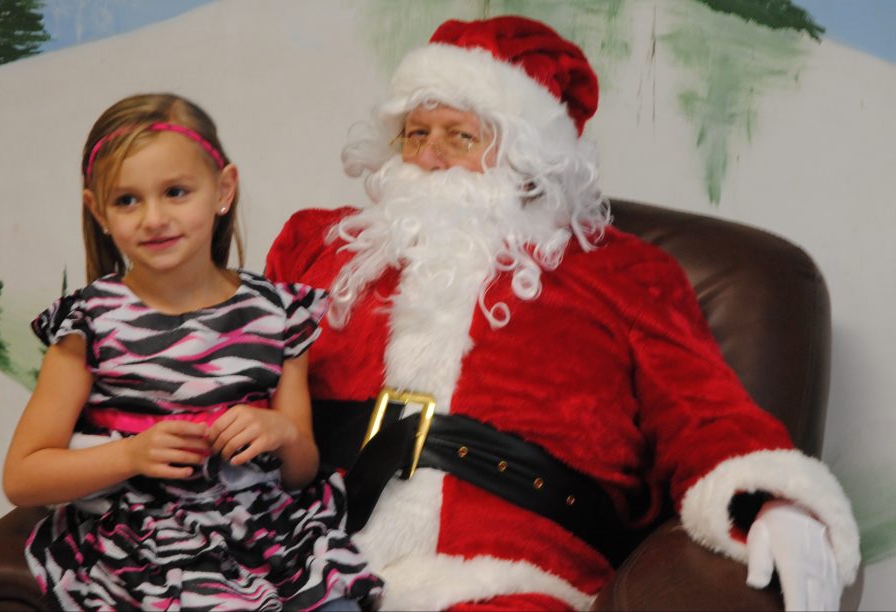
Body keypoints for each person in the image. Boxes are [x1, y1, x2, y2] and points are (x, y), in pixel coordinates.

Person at [265, 16, 860, 611]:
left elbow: (706, 416)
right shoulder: (320, 243)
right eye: (415, 134)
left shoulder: (625, 273)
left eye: (460, 137)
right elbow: (236, 370)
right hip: (303, 557)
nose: (429, 157)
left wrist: (771, 500)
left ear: (528, 156)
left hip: (504, 577)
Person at [2, 93, 383, 611]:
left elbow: (301, 470)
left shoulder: (278, 314)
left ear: (223, 189)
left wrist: (283, 433)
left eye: (176, 192)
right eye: (127, 200)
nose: (153, 217)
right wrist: (131, 455)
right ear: (98, 210)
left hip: (268, 537)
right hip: (138, 548)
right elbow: (23, 478)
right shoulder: (88, 323)